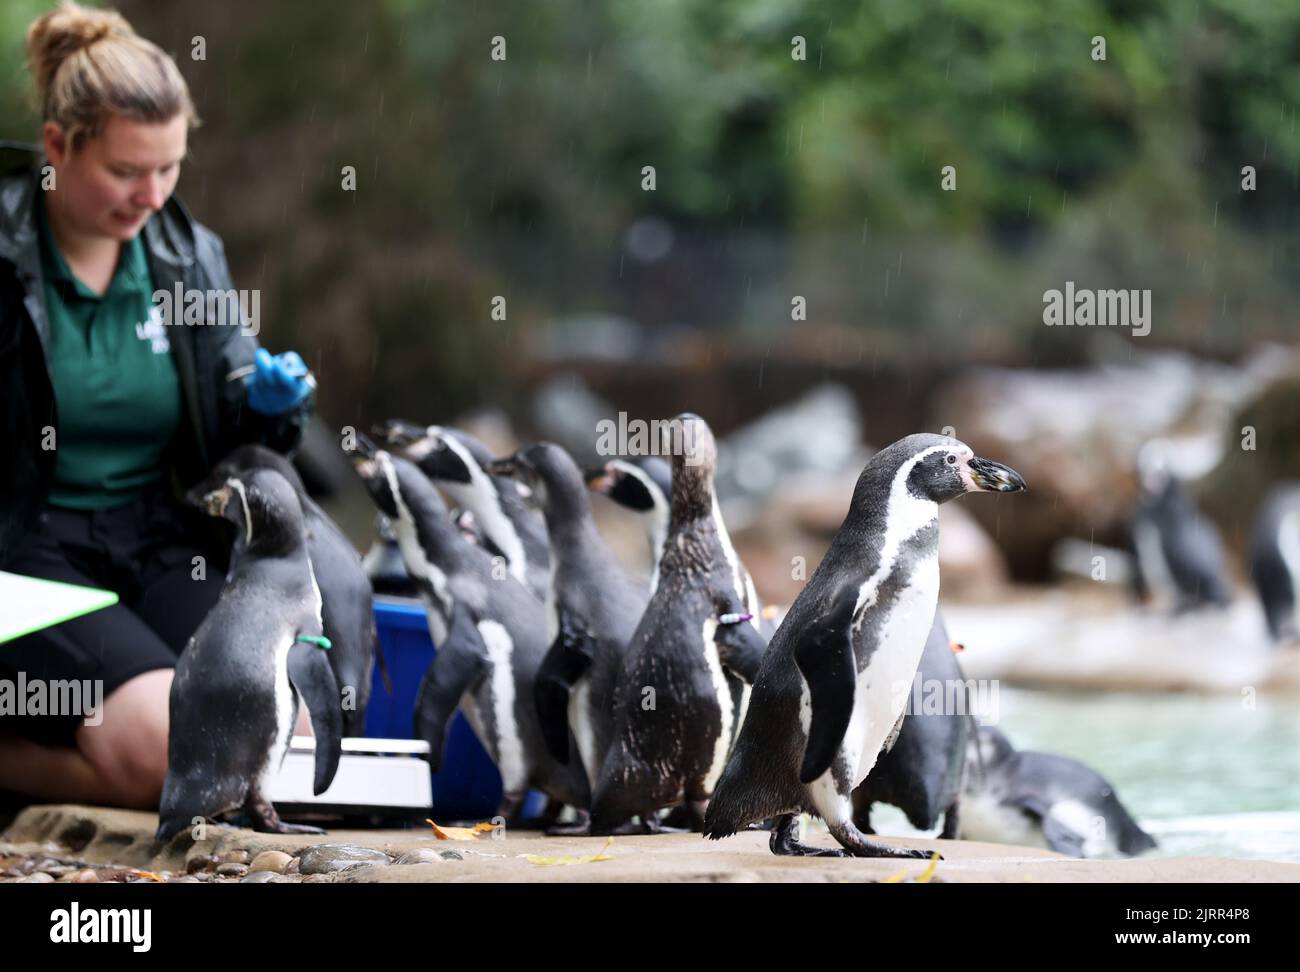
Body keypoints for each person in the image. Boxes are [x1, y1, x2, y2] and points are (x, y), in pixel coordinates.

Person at [0, 2, 316, 810]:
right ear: (58, 148)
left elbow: (235, 418)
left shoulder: (185, 256)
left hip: (154, 535)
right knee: (168, 755)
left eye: (169, 168)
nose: (152, 194)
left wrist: (273, 408)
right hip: (23, 556)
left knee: (289, 730)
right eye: (126, 170)